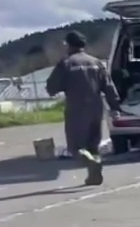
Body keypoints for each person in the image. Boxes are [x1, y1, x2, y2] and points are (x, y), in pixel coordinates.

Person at [44, 31, 122, 186]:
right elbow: (108, 86)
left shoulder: (67, 63)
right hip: (96, 108)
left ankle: (91, 163)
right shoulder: (96, 62)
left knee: (76, 147)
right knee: (93, 145)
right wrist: (115, 107)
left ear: (68, 45)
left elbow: (51, 87)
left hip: (77, 108)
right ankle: (94, 175)